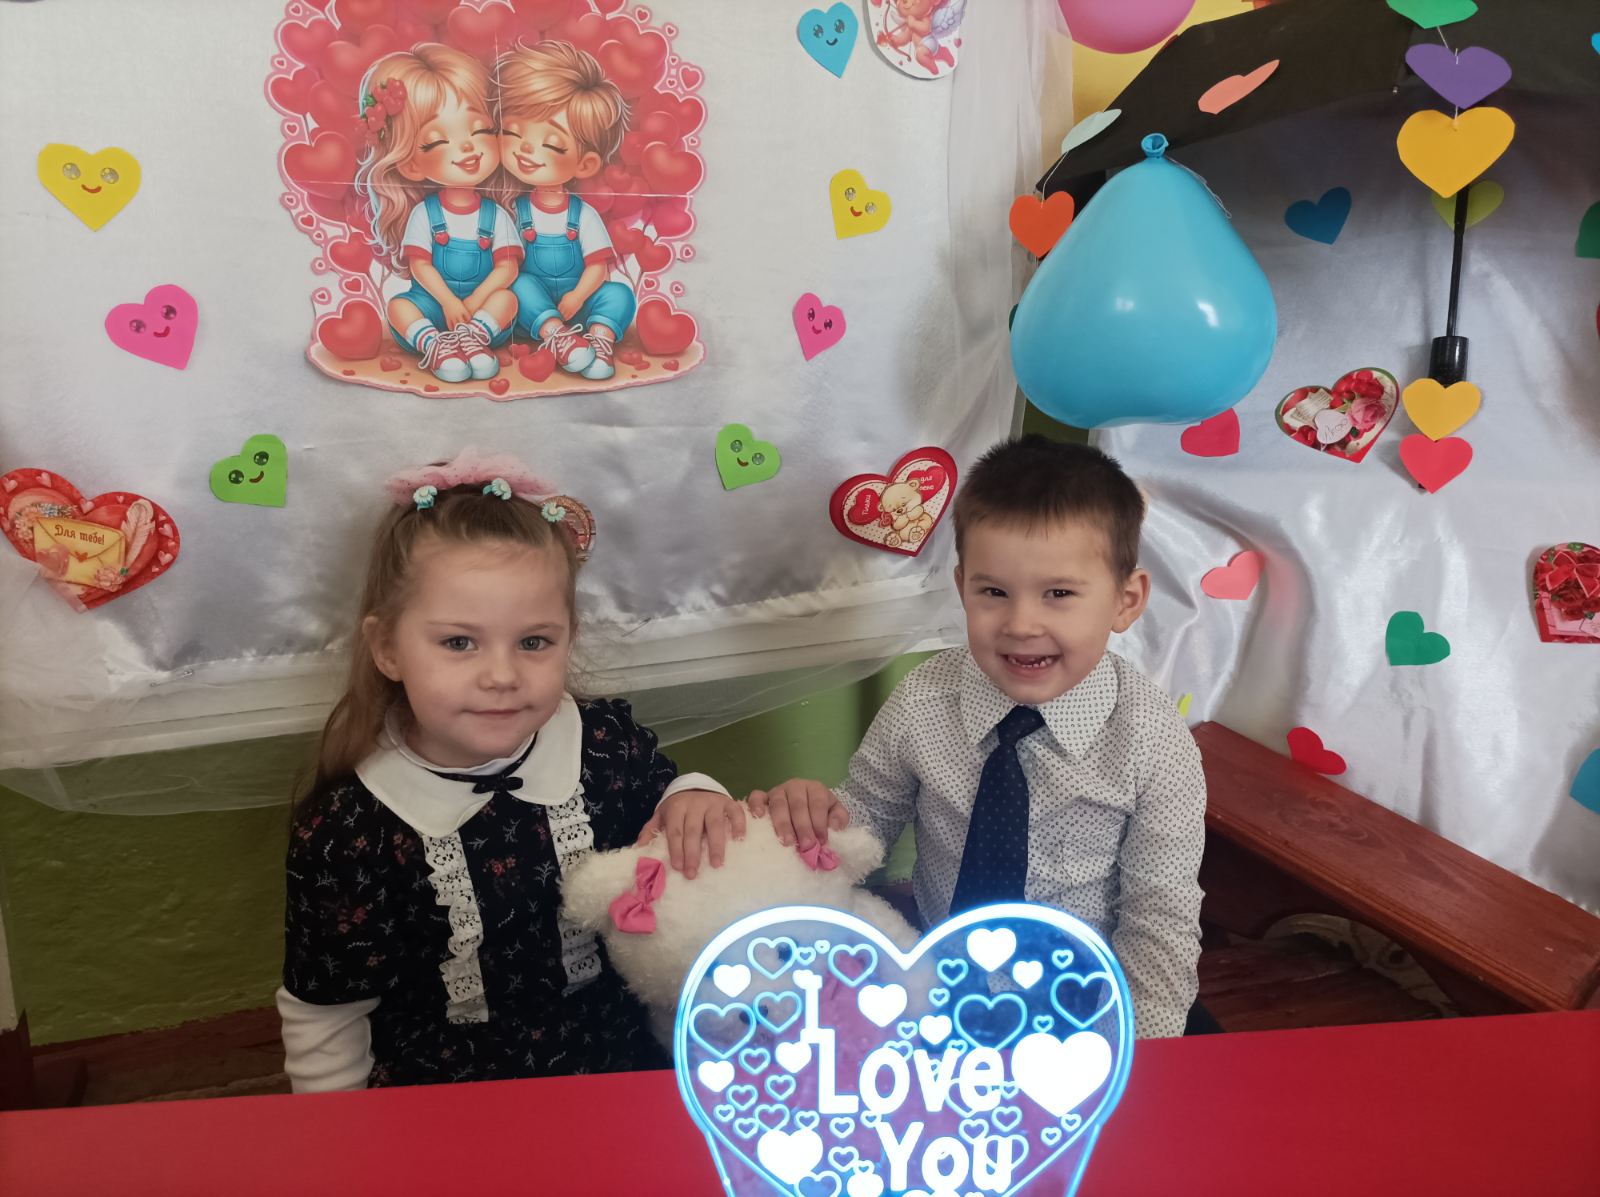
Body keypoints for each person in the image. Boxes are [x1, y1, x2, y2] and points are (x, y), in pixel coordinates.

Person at [277, 450, 742, 1090]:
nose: (501, 675)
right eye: (459, 642)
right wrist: (341, 1136)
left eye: (533, 642)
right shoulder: (349, 829)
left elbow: (668, 799)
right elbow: (328, 1013)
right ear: (387, 648)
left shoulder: (602, 743)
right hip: (443, 1092)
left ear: (568, 637)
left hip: (620, 1063)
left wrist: (696, 794)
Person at [750, 435, 1209, 1038]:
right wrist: (805, 825)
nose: (1021, 624)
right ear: (963, 586)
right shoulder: (923, 701)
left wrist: (1140, 1049)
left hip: (1083, 1006)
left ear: (1125, 601)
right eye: (994, 592)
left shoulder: (1154, 741)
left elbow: (1160, 918)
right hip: (937, 986)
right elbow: (864, 823)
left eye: (1059, 594)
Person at [354, 46, 521, 384]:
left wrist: (474, 302)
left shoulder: (496, 216)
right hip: (431, 304)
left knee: (507, 299)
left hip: (480, 310)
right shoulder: (424, 214)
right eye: (438, 142)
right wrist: (446, 302)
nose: (468, 147)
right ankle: (435, 345)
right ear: (411, 165)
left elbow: (507, 267)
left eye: (480, 130)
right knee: (399, 307)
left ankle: (474, 340)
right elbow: (421, 266)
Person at [493, 40, 637, 381]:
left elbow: (598, 267)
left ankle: (600, 339)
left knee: (620, 294)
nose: (526, 149)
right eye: (513, 133)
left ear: (585, 164)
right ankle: (557, 337)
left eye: (551, 144)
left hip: (581, 304)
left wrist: (577, 297)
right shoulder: (513, 211)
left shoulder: (583, 214)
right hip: (536, 313)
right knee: (518, 284)